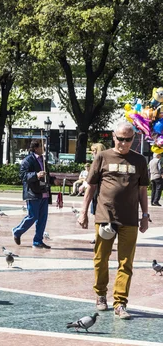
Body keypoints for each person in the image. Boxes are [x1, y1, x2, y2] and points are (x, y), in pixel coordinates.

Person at [77, 122, 149, 319]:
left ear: (133, 139)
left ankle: (120, 303)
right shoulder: (102, 157)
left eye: (128, 139)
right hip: (105, 217)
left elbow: (143, 190)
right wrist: (83, 212)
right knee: (101, 258)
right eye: (120, 139)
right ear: (113, 137)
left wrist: (144, 215)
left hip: (130, 219)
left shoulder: (140, 161)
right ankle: (101, 294)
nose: (123, 143)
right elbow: (91, 186)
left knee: (126, 262)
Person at [13, 139, 51, 249]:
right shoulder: (27, 160)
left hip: (44, 192)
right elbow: (23, 176)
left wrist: (52, 179)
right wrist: (36, 175)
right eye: (41, 146)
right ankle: (17, 231)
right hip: (33, 193)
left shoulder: (43, 159)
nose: (44, 148)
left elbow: (45, 176)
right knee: (32, 216)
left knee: (42, 218)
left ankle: (38, 241)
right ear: (35, 148)